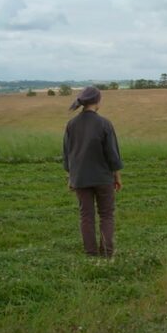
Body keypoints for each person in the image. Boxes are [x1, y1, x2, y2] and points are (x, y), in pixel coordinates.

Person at [62, 85, 123, 259]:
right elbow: (112, 154)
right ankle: (107, 252)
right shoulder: (104, 124)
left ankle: (90, 253)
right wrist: (117, 176)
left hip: (80, 178)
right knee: (106, 215)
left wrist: (70, 177)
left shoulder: (71, 125)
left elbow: (68, 154)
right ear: (97, 102)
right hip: (103, 178)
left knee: (86, 216)